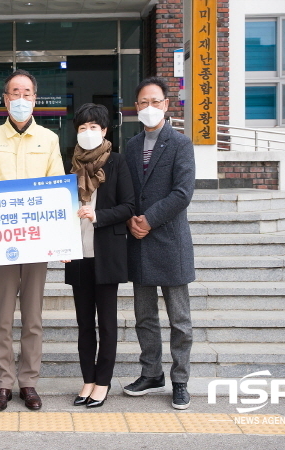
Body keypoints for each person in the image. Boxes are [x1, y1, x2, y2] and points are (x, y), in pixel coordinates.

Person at [0, 69, 65, 411]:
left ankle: (28, 382)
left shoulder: (49, 139)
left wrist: (60, 240)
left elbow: (57, 188)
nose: (21, 99)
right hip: (3, 241)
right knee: (0, 317)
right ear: (5, 99)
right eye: (15, 92)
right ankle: (3, 384)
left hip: (38, 242)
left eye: (27, 92)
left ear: (35, 98)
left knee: (33, 317)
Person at [122, 77, 195, 410]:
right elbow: (125, 192)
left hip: (170, 241)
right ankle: (151, 373)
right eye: (142, 102)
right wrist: (130, 220)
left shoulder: (180, 143)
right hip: (139, 242)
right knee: (144, 316)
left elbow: (182, 193)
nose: (148, 108)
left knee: (179, 320)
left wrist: (148, 220)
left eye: (154, 101)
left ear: (166, 104)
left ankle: (180, 380)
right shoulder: (132, 145)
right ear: (136, 107)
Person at [63, 103, 135, 408]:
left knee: (106, 323)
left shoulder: (117, 163)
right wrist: (59, 244)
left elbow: (129, 206)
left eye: (94, 127)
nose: (88, 132)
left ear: (104, 131)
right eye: (82, 127)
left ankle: (103, 382)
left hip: (106, 254)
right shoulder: (70, 166)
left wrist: (98, 214)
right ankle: (88, 380)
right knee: (83, 324)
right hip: (77, 254)